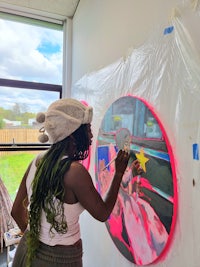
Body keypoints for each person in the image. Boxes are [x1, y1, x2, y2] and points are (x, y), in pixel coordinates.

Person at [11, 98, 131, 267]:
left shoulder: (37, 160)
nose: (91, 136)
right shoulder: (75, 172)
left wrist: (34, 239)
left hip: (26, 251)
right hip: (58, 259)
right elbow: (102, 213)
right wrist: (118, 173)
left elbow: (16, 211)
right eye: (88, 129)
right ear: (73, 135)